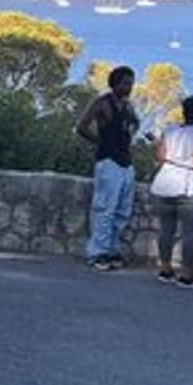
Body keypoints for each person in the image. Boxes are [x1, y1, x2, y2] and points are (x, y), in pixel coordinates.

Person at [74, 66, 140, 270]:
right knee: (105, 208)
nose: (129, 87)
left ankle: (112, 249)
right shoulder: (102, 103)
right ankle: (97, 252)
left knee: (122, 210)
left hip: (125, 162)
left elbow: (135, 123)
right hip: (108, 161)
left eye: (131, 83)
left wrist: (130, 133)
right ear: (115, 83)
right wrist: (99, 142)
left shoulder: (128, 107)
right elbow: (81, 126)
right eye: (126, 83)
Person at [149, 95, 193, 289]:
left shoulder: (170, 130)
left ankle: (165, 269)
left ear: (183, 112)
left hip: (165, 182)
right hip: (188, 185)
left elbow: (160, 156)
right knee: (190, 233)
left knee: (166, 229)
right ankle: (186, 275)